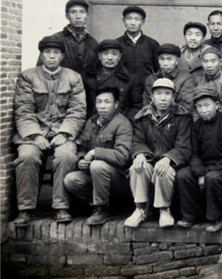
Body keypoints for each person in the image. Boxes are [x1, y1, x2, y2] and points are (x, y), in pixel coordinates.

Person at [13, 36, 86, 226]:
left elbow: (77, 110)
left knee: (66, 155)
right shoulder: (28, 76)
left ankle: (61, 207)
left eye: (56, 53)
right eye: (47, 52)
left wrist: (64, 133)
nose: (52, 56)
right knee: (27, 156)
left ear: (62, 56)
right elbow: (23, 110)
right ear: (41, 55)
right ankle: (25, 209)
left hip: (63, 132)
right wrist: (35, 135)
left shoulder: (73, 78)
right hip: (33, 133)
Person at [125, 78, 192, 229]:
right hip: (151, 160)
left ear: (173, 97)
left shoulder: (182, 117)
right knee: (137, 167)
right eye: (159, 93)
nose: (163, 98)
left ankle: (164, 210)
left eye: (167, 94)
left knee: (163, 170)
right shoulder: (142, 118)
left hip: (173, 165)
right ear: (152, 97)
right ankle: (140, 209)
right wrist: (140, 154)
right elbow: (137, 140)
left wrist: (168, 158)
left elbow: (184, 146)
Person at [176, 88, 222, 232]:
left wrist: (209, 171)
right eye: (199, 107)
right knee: (183, 175)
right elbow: (193, 153)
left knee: (212, 177)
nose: (203, 110)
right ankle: (190, 216)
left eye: (207, 105)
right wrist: (200, 172)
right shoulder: (196, 126)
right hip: (203, 168)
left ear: (217, 105)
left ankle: (215, 218)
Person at [63, 87, 132, 225]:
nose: (102, 106)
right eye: (99, 102)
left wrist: (95, 152)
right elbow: (83, 148)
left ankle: (102, 208)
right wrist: (81, 160)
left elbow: (123, 157)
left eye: (107, 102)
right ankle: (107, 205)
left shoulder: (123, 124)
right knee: (70, 180)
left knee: (97, 165)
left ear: (116, 104)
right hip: (95, 175)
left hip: (118, 178)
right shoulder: (91, 122)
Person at [39, 0, 99, 89]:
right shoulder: (55, 39)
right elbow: (41, 70)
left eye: (82, 12)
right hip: (60, 91)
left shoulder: (93, 42)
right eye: (73, 12)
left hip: (86, 92)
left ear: (87, 15)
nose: (78, 16)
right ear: (67, 16)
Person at [85, 39, 143, 119]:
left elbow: (136, 106)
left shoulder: (131, 79)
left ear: (119, 57)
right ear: (99, 56)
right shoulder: (88, 78)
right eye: (105, 53)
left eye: (114, 54)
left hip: (121, 121)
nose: (110, 58)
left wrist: (123, 121)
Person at [115, 5, 160, 89]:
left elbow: (158, 70)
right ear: (124, 21)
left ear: (142, 22)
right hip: (123, 90)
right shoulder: (117, 44)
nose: (132, 23)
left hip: (146, 90)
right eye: (129, 19)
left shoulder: (152, 44)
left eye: (137, 19)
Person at [143, 43, 195, 111]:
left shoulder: (186, 79)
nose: (165, 64)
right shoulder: (151, 79)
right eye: (162, 59)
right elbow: (147, 106)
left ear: (177, 61)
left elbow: (185, 106)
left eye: (169, 59)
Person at [192, 47, 222, 118]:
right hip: (202, 121)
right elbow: (194, 108)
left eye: (213, 61)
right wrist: (198, 123)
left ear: (220, 62)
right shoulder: (198, 80)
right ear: (201, 63)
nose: (209, 65)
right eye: (205, 61)